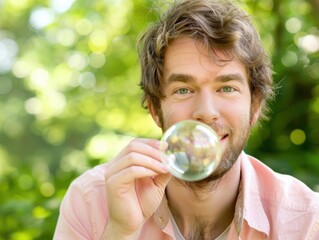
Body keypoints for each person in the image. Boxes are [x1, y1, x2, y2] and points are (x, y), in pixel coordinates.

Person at [54, 0, 319, 239]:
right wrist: (120, 232)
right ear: (155, 109)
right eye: (184, 90)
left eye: (226, 88)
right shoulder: (91, 201)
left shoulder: (306, 221)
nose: (206, 111)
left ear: (255, 106)